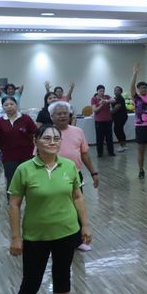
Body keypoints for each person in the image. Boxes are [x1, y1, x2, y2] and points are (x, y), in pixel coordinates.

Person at [6, 123, 92, 294]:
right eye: (47, 138)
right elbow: (14, 205)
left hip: (67, 232)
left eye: (56, 138)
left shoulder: (69, 166)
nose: (52, 142)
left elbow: (78, 197)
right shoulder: (24, 169)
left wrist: (85, 224)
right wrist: (16, 237)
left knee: (62, 276)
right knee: (31, 282)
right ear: (35, 141)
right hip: (36, 236)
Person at [50, 101, 99, 252]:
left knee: (77, 207)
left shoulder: (78, 131)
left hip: (75, 175)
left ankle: (78, 241)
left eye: (65, 113)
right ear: (52, 117)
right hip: (52, 176)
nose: (63, 116)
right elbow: (37, 156)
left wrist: (93, 172)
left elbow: (84, 154)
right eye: (59, 114)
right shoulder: (46, 133)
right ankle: (53, 243)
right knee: (54, 209)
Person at [0, 96, 37, 193]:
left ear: (16, 105)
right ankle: (12, 201)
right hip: (9, 157)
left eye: (11, 104)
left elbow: (36, 135)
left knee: (30, 181)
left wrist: (38, 152)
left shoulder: (26, 119)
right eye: (6, 105)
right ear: (2, 107)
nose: (9, 106)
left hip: (27, 156)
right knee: (11, 182)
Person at [90, 85, 114, 158]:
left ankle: (111, 152)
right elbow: (95, 110)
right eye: (100, 91)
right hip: (99, 121)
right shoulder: (94, 99)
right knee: (99, 138)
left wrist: (106, 101)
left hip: (108, 120)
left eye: (103, 91)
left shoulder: (107, 96)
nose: (102, 92)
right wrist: (101, 104)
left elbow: (114, 100)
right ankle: (100, 153)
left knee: (109, 137)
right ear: (97, 91)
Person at [111, 86, 128, 152]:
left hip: (121, 117)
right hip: (117, 117)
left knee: (117, 130)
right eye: (115, 90)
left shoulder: (120, 98)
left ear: (121, 92)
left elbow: (116, 108)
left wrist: (109, 114)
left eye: (118, 90)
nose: (116, 91)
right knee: (120, 130)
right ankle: (124, 145)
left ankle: (121, 146)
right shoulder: (115, 98)